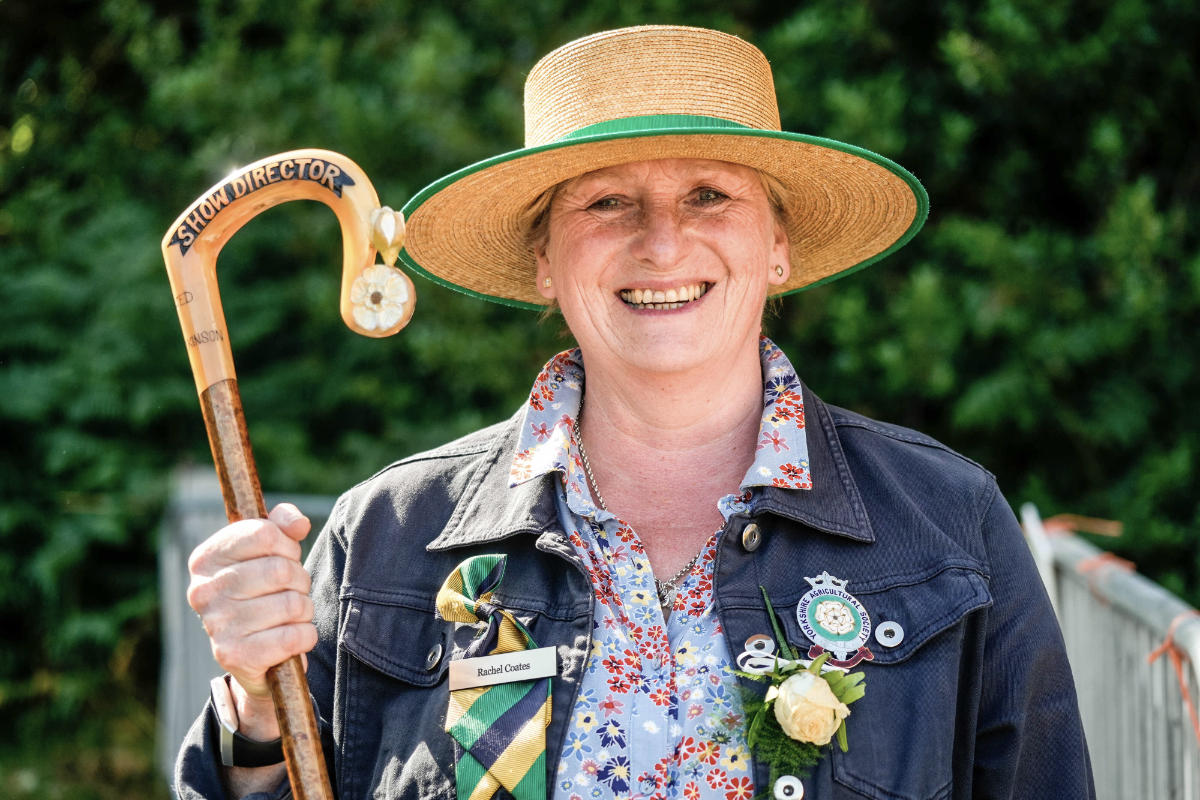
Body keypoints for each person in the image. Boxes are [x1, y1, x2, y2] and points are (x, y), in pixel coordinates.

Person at [176, 25, 1094, 800]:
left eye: (709, 195)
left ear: (778, 244)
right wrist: (255, 708)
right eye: (607, 202)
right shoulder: (386, 539)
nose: (661, 242)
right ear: (544, 260)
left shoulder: (948, 523)